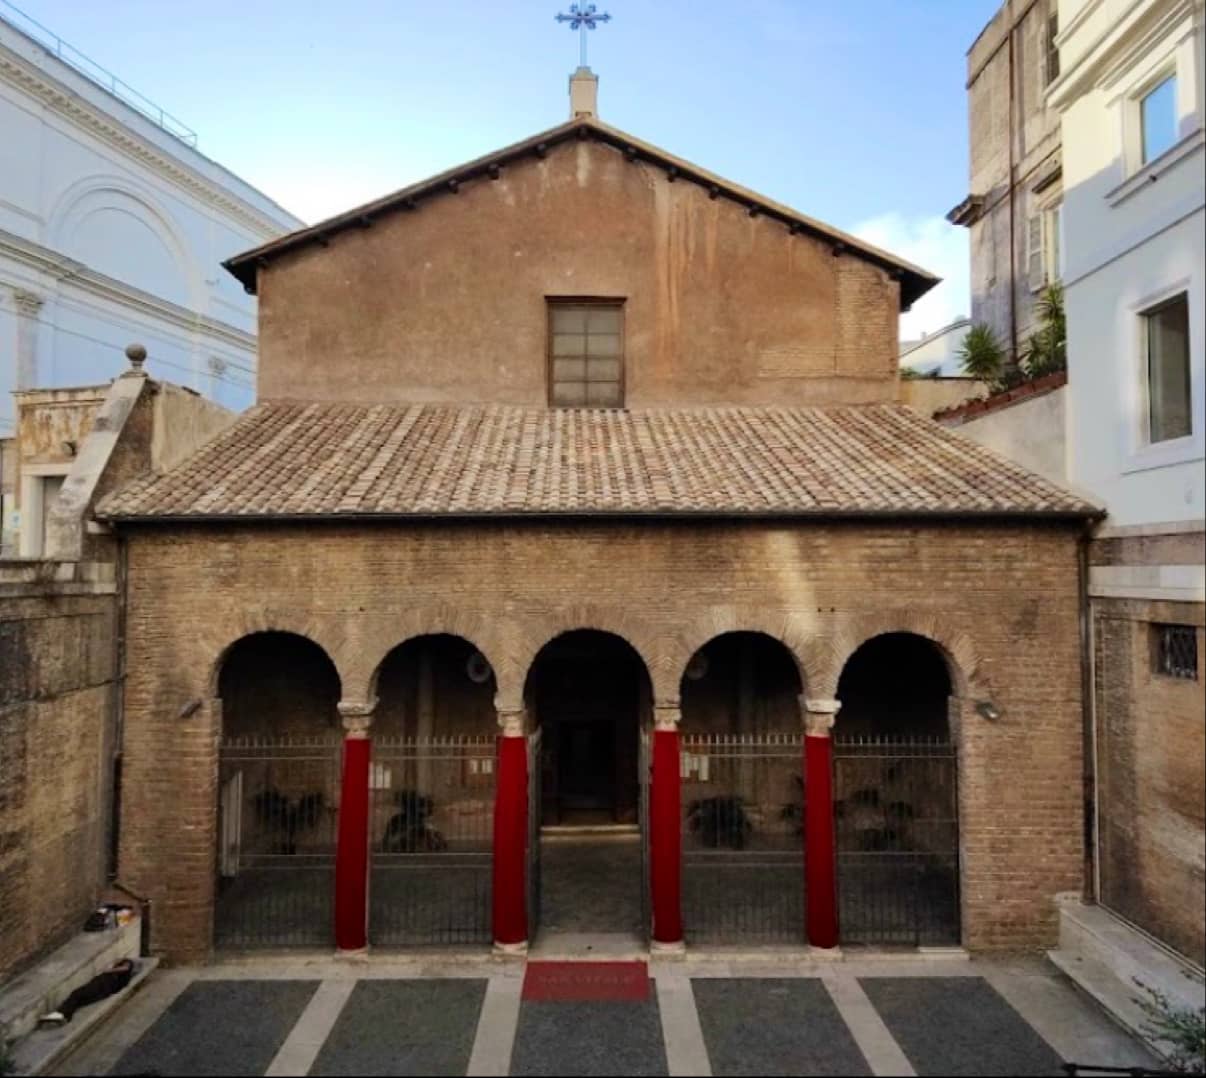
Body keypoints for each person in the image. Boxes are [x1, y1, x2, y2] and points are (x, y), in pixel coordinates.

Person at [38, 959, 137, 1026]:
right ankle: (65, 1017)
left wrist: (109, 969)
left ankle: (60, 1014)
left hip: (100, 986)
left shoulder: (125, 969)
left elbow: (126, 967)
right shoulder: (123, 979)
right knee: (79, 1000)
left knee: (76, 994)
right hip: (103, 991)